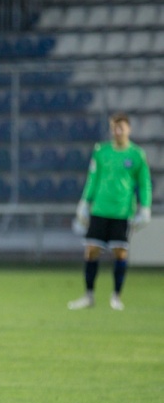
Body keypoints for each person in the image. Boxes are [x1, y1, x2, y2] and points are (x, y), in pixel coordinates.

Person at [68, 112, 152, 311]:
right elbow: (92, 179)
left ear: (129, 129)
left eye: (121, 127)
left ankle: (116, 296)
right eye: (114, 127)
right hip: (100, 209)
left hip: (122, 211)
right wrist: (84, 202)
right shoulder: (101, 151)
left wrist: (145, 207)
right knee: (91, 250)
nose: (117, 131)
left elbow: (144, 184)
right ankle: (89, 295)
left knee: (120, 253)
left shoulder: (137, 155)